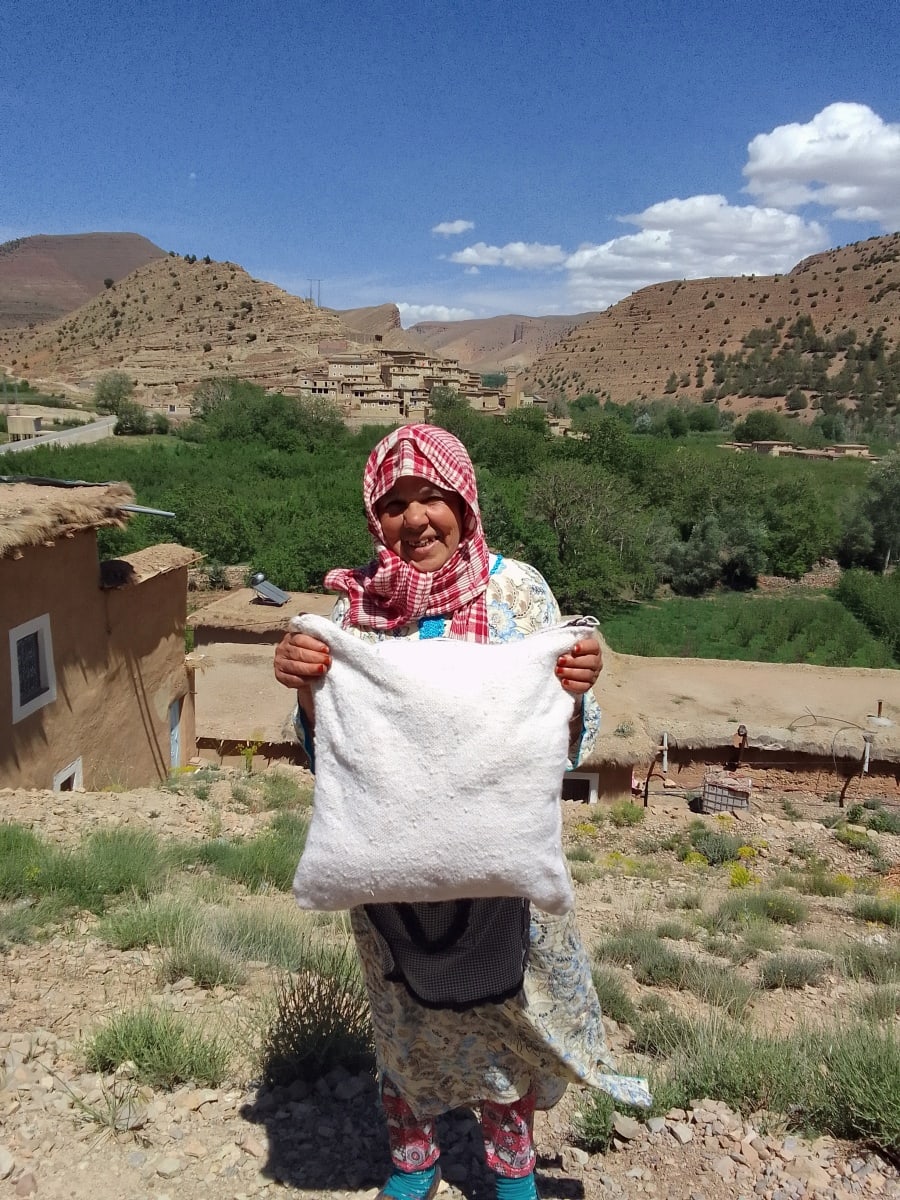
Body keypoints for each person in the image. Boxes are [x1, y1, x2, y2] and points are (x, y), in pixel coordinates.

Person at [274, 424, 646, 1200]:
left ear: (465, 502)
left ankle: (511, 1175)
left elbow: (567, 737)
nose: (416, 519)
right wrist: (308, 689)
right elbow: (326, 752)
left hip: (501, 872)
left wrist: (575, 689)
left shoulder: (518, 593)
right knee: (405, 1025)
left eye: (433, 497)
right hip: (393, 878)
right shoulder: (355, 612)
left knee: (502, 1027)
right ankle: (415, 1165)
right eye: (394, 504)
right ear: (374, 519)